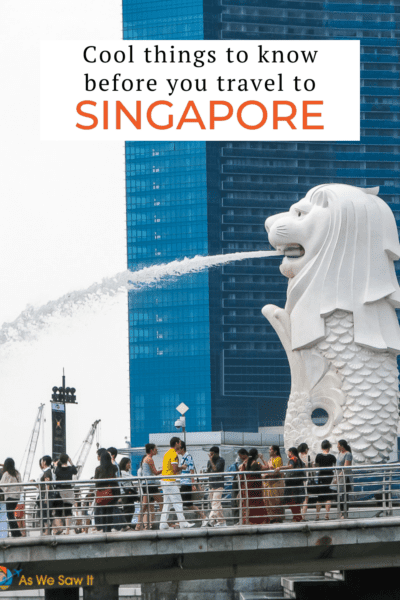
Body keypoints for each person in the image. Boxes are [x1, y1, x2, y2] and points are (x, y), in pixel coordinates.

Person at [159, 437, 195, 530]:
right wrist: (182, 467)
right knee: (178, 502)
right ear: (176, 443)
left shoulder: (167, 453)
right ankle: (183, 524)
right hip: (170, 482)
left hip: (164, 481)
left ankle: (163, 524)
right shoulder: (174, 454)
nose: (180, 443)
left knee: (167, 503)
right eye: (179, 442)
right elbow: (175, 469)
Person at [178, 441, 207, 526]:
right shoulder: (183, 457)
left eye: (178, 449)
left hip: (187, 483)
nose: (177, 451)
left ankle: (204, 517)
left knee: (188, 504)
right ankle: (202, 517)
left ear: (182, 448)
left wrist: (193, 483)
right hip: (184, 483)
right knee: (185, 503)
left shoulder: (188, 457)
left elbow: (192, 471)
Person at [239, 448, 269, 525]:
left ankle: (249, 521)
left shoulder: (245, 463)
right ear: (256, 455)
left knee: (250, 503)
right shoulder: (256, 463)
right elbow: (267, 467)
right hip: (256, 486)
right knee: (258, 502)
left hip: (248, 487)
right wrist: (262, 458)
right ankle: (260, 520)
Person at [94, 452, 119, 533]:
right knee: (110, 511)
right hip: (112, 493)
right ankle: (108, 529)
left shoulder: (98, 469)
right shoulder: (114, 467)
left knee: (103, 511)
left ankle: (104, 530)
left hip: (102, 494)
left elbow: (96, 483)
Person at [278, 447, 304, 522]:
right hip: (297, 483)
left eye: (289, 452)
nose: (288, 454)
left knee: (292, 501)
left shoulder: (293, 458)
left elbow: (290, 466)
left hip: (292, 484)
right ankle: (297, 517)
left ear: (291, 452)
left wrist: (281, 467)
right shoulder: (299, 460)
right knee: (296, 501)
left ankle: (297, 517)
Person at [141, 443, 163, 530]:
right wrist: (165, 469)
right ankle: (165, 522)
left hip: (146, 484)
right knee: (161, 502)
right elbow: (156, 472)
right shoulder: (149, 459)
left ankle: (140, 525)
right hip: (150, 485)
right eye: (155, 449)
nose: (156, 450)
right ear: (151, 450)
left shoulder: (146, 459)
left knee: (146, 507)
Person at [55, 453, 78, 535]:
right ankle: (68, 530)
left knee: (59, 511)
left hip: (61, 491)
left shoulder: (58, 469)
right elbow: (75, 471)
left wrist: (59, 462)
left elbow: (56, 470)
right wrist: (71, 461)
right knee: (68, 510)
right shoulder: (71, 469)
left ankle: (60, 528)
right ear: (67, 459)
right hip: (69, 490)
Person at [203, 446, 226, 527]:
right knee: (216, 504)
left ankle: (211, 520)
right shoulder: (209, 462)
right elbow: (209, 470)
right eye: (210, 454)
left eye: (212, 454)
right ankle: (222, 522)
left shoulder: (221, 460)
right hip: (212, 485)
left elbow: (215, 469)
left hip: (219, 485)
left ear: (216, 453)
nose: (210, 456)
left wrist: (211, 460)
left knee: (215, 504)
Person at [315, 440, 337, 521]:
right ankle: (326, 515)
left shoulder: (318, 456)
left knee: (320, 497)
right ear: (329, 447)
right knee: (328, 497)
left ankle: (317, 516)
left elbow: (317, 467)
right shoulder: (332, 457)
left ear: (322, 447)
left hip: (321, 477)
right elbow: (335, 467)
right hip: (329, 477)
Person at [1, 458, 23, 537]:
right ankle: (16, 533)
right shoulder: (17, 473)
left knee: (9, 515)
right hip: (17, 497)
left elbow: (2, 485)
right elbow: (21, 485)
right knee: (11, 514)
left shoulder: (6, 474)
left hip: (10, 497)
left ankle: (16, 533)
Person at [227, 448, 248, 524]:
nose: (239, 457)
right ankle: (236, 521)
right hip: (236, 484)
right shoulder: (237, 462)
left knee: (243, 503)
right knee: (234, 502)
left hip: (244, 484)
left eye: (241, 456)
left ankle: (243, 520)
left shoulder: (248, 462)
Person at [264, 445, 285, 524]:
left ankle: (277, 519)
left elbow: (277, 472)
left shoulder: (278, 459)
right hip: (270, 484)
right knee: (269, 501)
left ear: (275, 451)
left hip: (276, 484)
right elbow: (268, 468)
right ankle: (271, 518)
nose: (269, 451)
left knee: (276, 501)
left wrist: (267, 475)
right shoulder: (271, 459)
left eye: (270, 450)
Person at [119, 457, 139, 531]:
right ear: (125, 464)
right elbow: (133, 479)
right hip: (125, 494)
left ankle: (127, 526)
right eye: (128, 463)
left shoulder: (125, 472)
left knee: (130, 509)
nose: (130, 464)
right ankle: (125, 526)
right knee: (128, 510)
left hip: (127, 493)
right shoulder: (123, 472)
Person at [337, 439, 353, 519]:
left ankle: (344, 513)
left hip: (345, 478)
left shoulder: (348, 454)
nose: (337, 446)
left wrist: (339, 476)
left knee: (344, 496)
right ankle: (341, 513)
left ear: (342, 446)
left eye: (338, 445)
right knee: (339, 495)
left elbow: (346, 467)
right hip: (339, 477)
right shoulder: (339, 453)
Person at [297, 443, 314, 519]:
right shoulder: (309, 457)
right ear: (306, 449)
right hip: (307, 480)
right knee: (306, 499)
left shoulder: (297, 458)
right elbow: (313, 471)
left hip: (298, 480)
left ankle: (299, 515)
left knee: (300, 499)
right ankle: (303, 516)